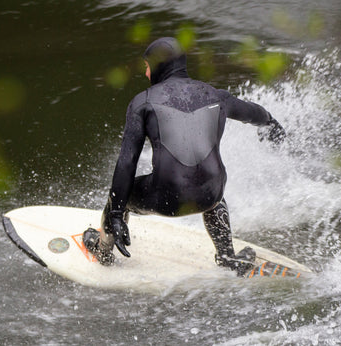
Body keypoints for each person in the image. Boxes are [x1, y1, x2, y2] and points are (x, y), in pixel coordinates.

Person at [84, 37, 286, 276]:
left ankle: (103, 252)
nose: (146, 73)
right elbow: (255, 114)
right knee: (209, 182)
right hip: (212, 195)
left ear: (158, 66)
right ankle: (227, 257)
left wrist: (117, 214)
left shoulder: (142, 103)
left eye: (147, 66)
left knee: (118, 198)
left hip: (167, 199)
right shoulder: (217, 96)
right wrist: (271, 125)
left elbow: (127, 162)